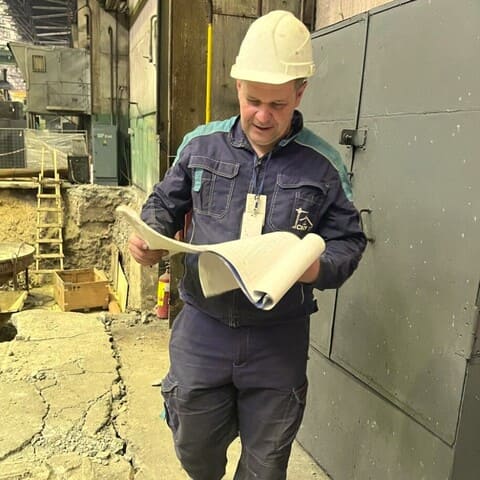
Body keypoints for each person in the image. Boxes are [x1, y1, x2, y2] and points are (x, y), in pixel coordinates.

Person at [128, 10, 366, 480]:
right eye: (252, 100)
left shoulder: (323, 166)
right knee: (194, 449)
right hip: (204, 327)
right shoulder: (200, 146)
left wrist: (314, 269)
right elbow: (163, 204)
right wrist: (150, 237)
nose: (262, 115)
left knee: (266, 465)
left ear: (300, 92)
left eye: (277, 104)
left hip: (278, 339)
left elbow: (348, 240)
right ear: (237, 85)